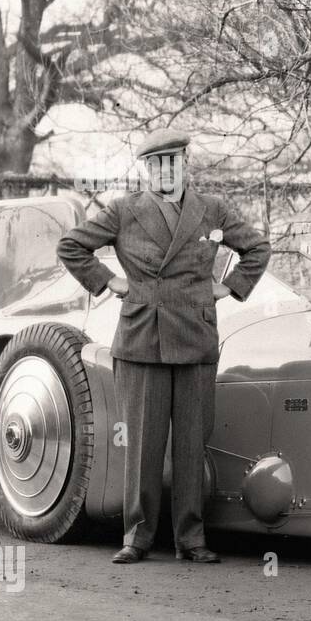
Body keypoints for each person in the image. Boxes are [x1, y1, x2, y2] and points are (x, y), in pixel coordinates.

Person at [57, 129, 271, 564]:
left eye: (172, 162)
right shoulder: (124, 211)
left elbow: (258, 248)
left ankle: (191, 539)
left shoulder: (212, 209)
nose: (164, 172)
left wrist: (228, 288)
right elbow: (71, 246)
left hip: (195, 336)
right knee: (143, 445)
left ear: (185, 165)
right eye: (156, 165)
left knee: (192, 444)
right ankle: (137, 537)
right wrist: (110, 281)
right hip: (142, 340)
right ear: (146, 171)